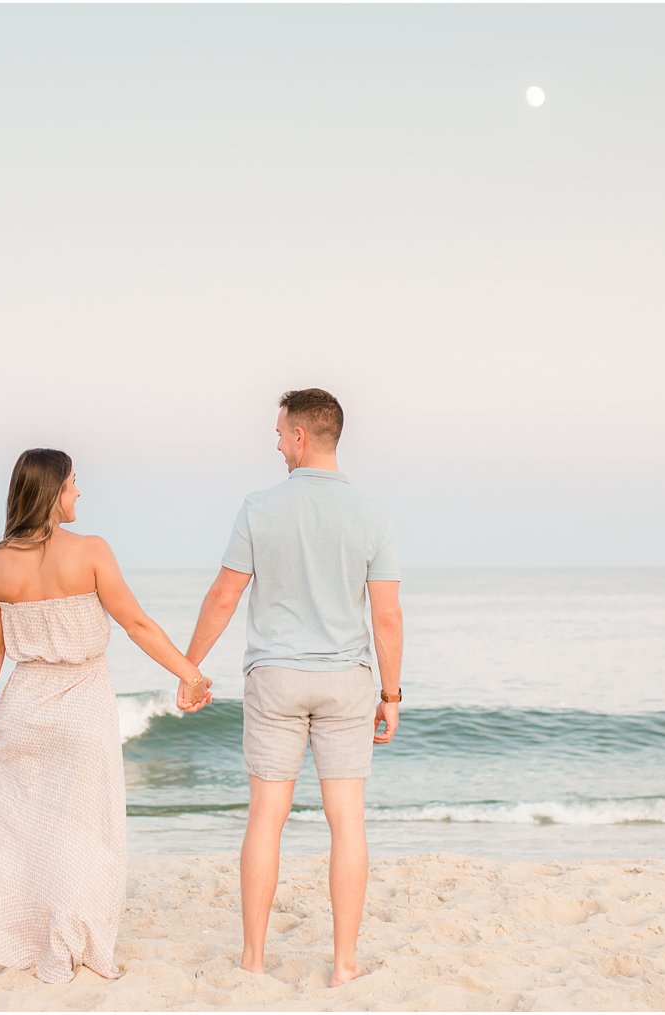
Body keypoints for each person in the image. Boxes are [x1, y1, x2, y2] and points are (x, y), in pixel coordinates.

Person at [0, 448, 212, 984]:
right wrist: (189, 673)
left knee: (33, 829)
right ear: (52, 492)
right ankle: (76, 939)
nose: (79, 493)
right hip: (84, 703)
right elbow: (137, 624)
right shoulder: (92, 551)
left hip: (24, 705)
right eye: (74, 483)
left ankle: (35, 928)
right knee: (87, 830)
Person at [183, 387, 403, 986]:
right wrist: (392, 694)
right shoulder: (374, 514)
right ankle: (343, 965)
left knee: (266, 818)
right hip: (345, 680)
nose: (277, 442)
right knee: (347, 822)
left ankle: (253, 961)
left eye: (281, 432)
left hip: (276, 678)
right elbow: (386, 616)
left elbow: (224, 595)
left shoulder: (259, 506)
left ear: (302, 436)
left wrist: (190, 666)